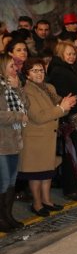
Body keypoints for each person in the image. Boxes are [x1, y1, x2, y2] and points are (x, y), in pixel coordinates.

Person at [20, 58, 77, 216]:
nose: (39, 73)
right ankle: (37, 204)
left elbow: (60, 107)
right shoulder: (26, 91)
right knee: (36, 174)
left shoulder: (48, 87)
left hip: (48, 137)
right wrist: (61, 107)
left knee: (47, 172)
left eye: (41, 70)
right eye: (34, 71)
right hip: (35, 139)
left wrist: (67, 104)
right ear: (27, 74)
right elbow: (38, 116)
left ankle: (47, 200)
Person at [46, 41, 77, 201]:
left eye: (73, 53)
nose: (72, 56)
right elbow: (62, 98)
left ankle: (74, 186)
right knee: (72, 155)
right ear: (61, 54)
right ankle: (71, 189)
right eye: (69, 54)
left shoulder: (69, 68)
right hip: (70, 120)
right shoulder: (59, 71)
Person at [0, 53, 28, 232]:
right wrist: (18, 116)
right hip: (2, 143)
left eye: (15, 66)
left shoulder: (13, 86)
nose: (16, 69)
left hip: (15, 140)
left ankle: (8, 215)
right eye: (11, 66)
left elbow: (27, 105)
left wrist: (18, 89)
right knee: (3, 182)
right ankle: (1, 219)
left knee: (11, 182)